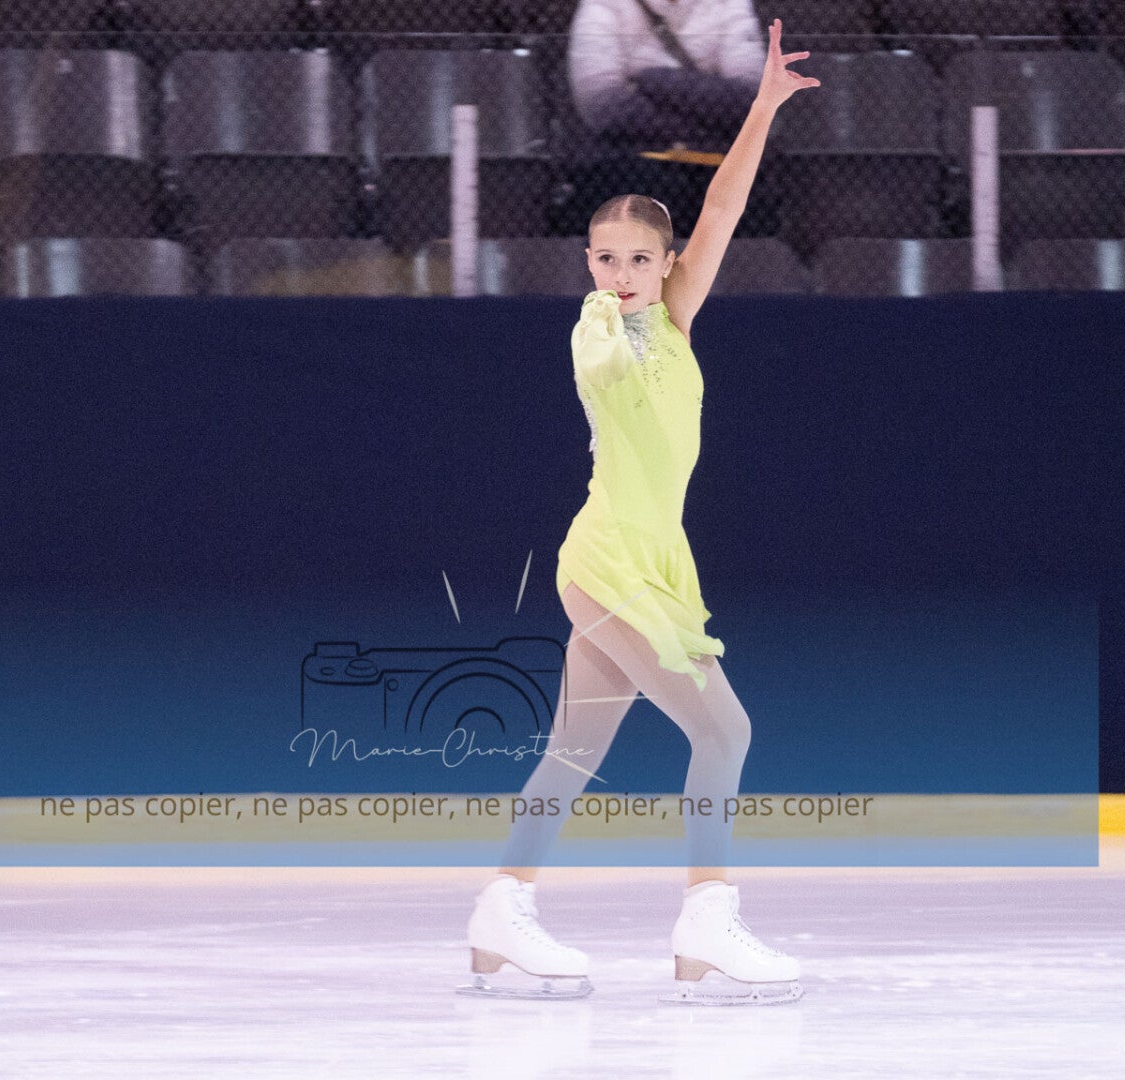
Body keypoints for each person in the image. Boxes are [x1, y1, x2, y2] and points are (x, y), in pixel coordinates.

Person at [460, 18, 819, 1006]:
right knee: (725, 731)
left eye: (635, 260)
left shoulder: (676, 317)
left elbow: (723, 206)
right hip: (609, 561)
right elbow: (604, 366)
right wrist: (614, 330)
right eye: (603, 258)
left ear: (665, 266)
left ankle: (500, 910)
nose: (617, 275)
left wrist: (762, 107)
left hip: (656, 561)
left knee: (573, 752)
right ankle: (706, 918)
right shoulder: (598, 331)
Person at [568, 0, 769, 150]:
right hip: (633, 161)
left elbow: (751, 96)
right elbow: (599, 102)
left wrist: (656, 82)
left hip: (717, 168)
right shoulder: (603, 4)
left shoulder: (729, 3)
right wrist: (701, 126)